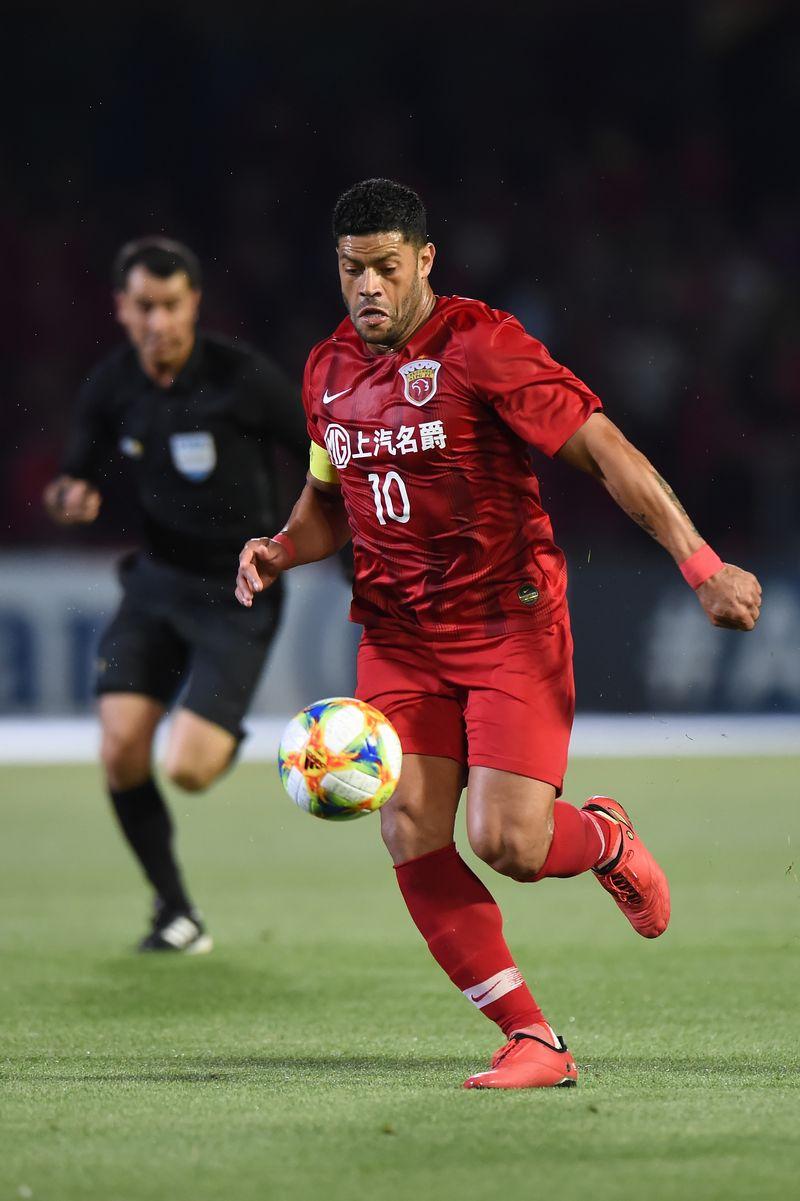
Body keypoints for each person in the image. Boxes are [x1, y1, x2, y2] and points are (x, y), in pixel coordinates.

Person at [235, 179, 762, 1088]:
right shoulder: (325, 370)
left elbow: (606, 450)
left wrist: (701, 563)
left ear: (424, 261)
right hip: (398, 632)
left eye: (386, 267)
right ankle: (533, 1038)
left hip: (508, 622)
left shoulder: (482, 345)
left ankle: (603, 838)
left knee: (510, 842)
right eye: (352, 269)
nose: (368, 286)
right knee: (408, 823)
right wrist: (280, 548)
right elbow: (329, 503)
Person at [44, 236, 306, 953]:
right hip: (157, 582)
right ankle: (175, 912)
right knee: (120, 749)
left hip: (239, 590)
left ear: (193, 303)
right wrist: (70, 497)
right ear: (121, 308)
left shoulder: (243, 378)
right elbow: (73, 475)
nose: (157, 321)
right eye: (143, 306)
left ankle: (218, 729)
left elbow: (325, 458)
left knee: (188, 770)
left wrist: (329, 549)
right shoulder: (110, 385)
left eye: (170, 305)